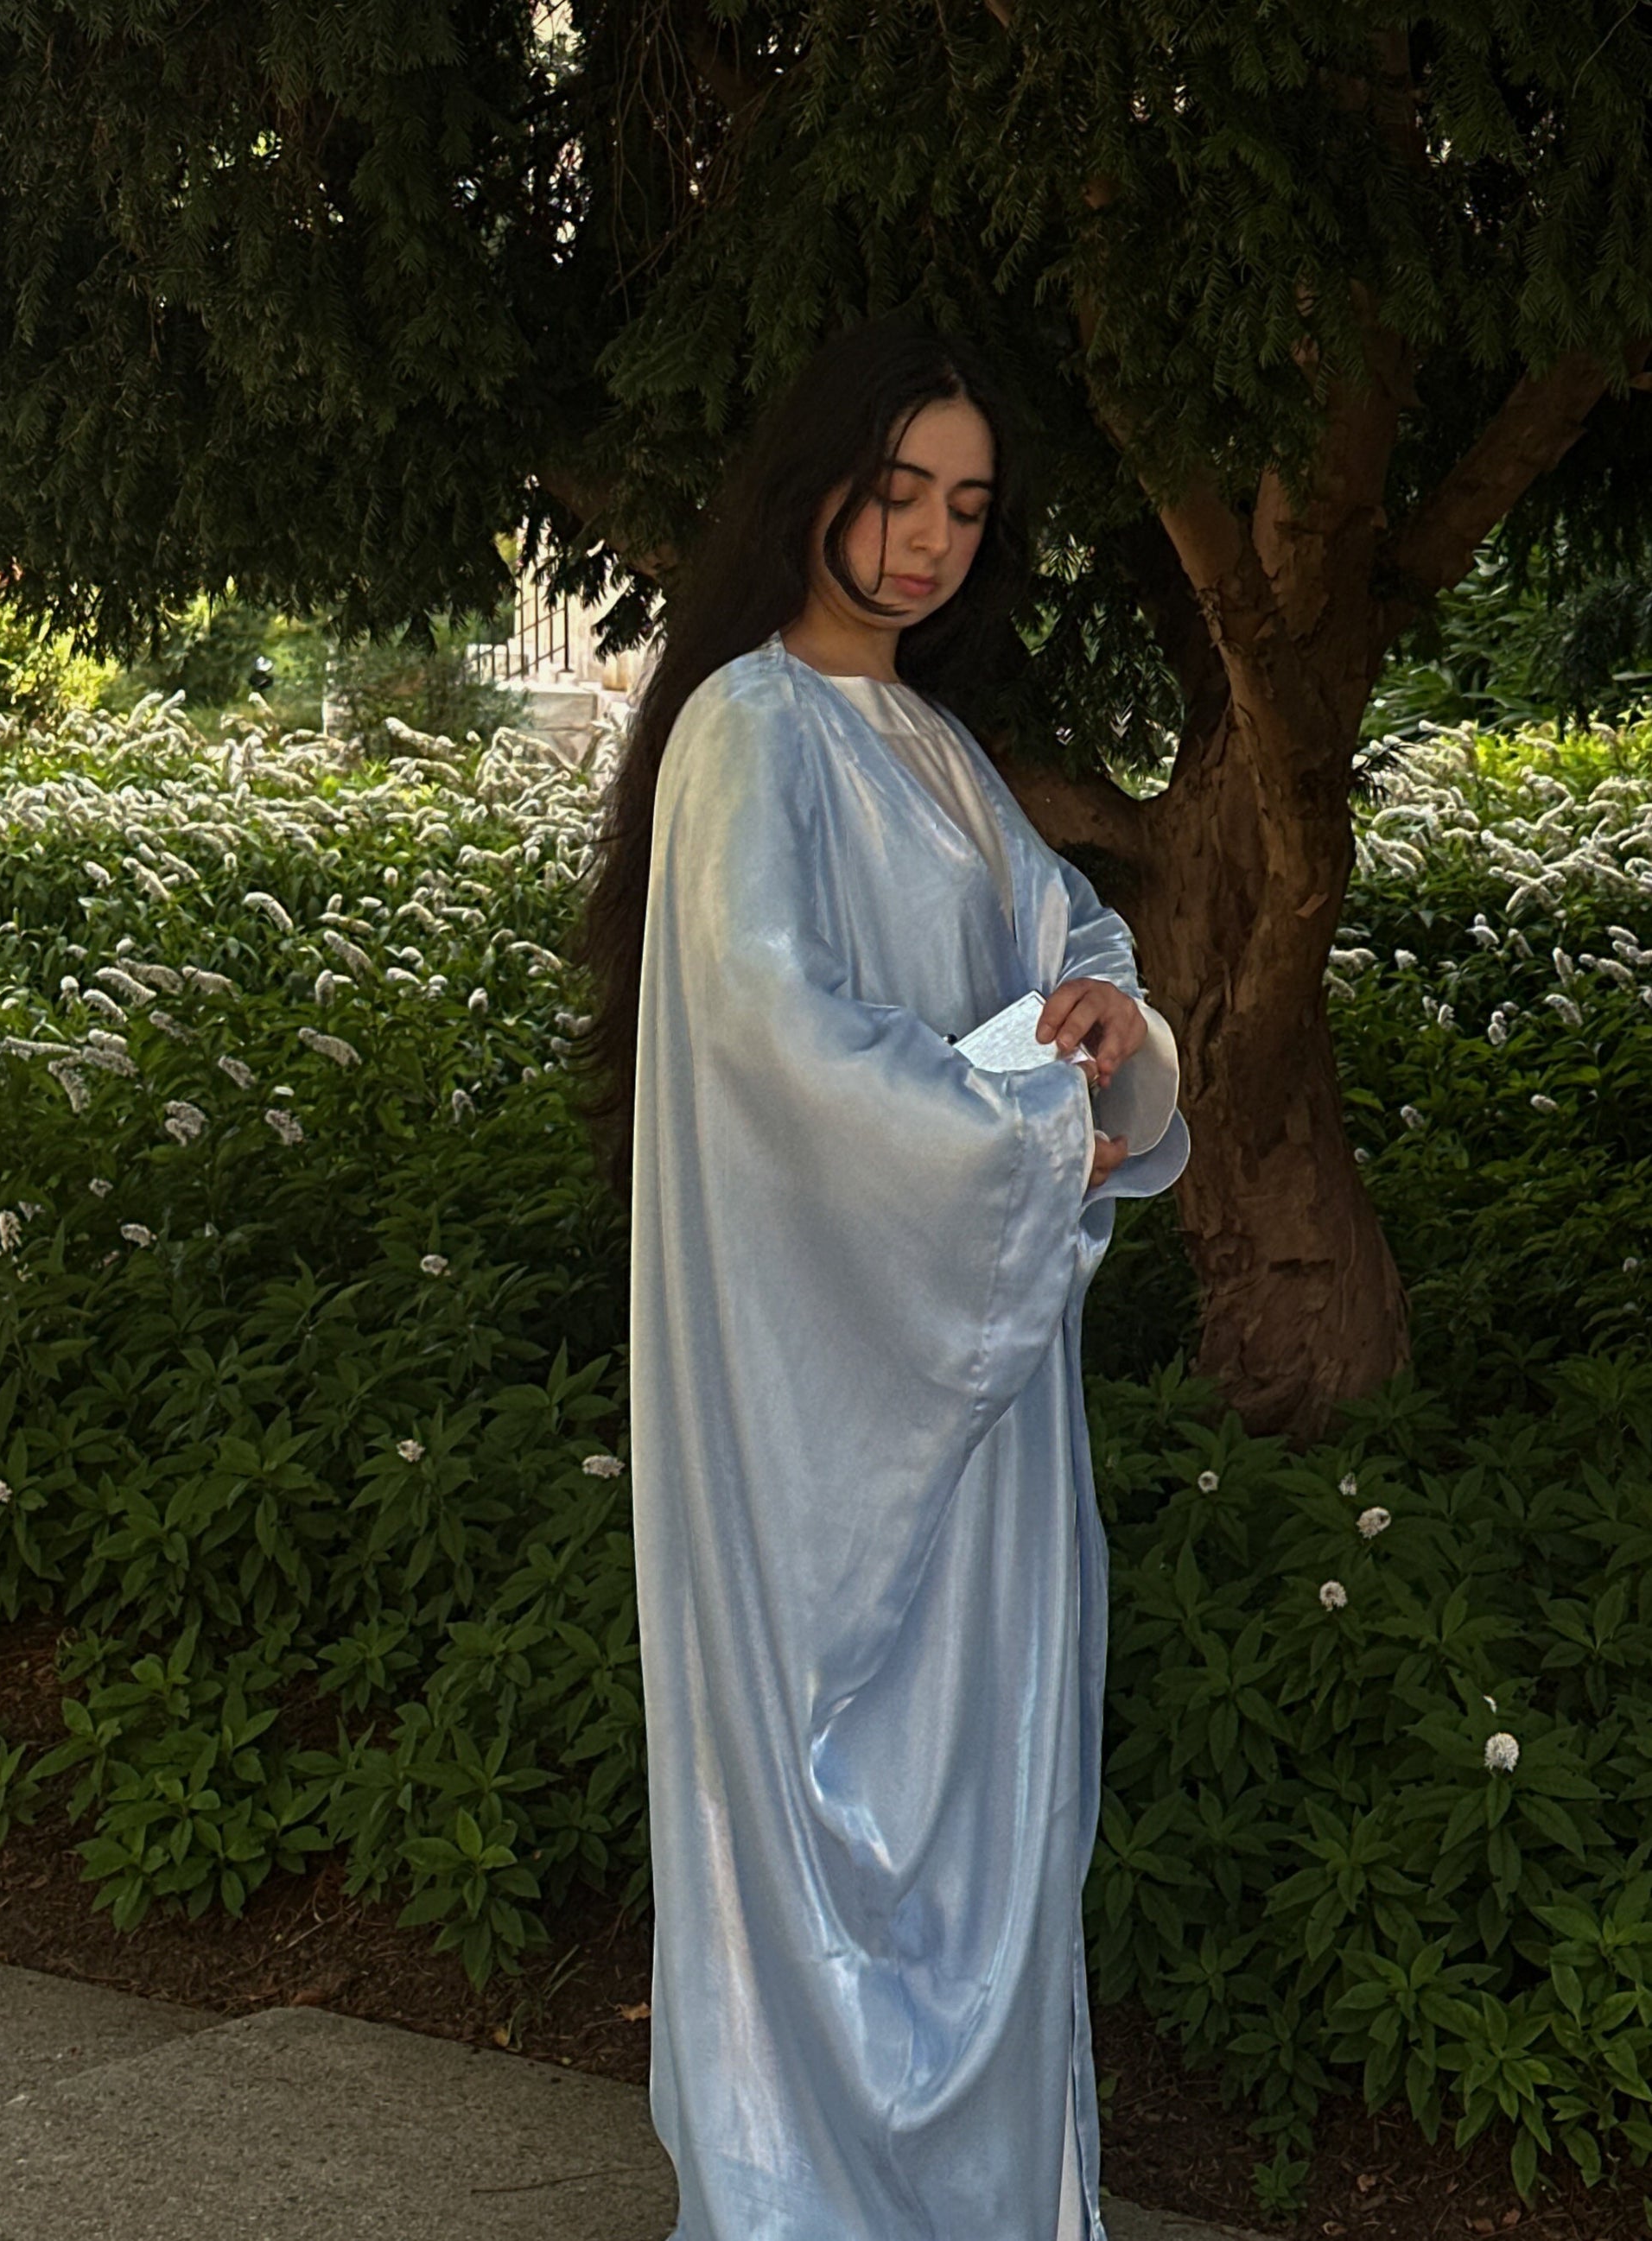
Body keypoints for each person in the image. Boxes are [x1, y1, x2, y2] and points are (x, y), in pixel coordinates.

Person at [576, 317, 1191, 2241]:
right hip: (817, 1410)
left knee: (988, 1829)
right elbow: (774, 1037)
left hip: (978, 1397)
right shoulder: (746, 730)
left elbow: (1070, 941)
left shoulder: (931, 749)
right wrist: (1017, 1124)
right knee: (824, 1839)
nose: (926, 537)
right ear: (817, 486)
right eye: (896, 489)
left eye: (966, 506)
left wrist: (1106, 1020)